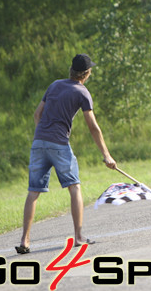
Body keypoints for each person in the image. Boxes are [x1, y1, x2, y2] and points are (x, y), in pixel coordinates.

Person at [16, 54, 117, 254]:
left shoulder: (54, 85)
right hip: (59, 144)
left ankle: (25, 240)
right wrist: (107, 155)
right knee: (74, 188)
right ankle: (78, 237)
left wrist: (43, 134)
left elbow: (37, 115)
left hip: (39, 142)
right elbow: (93, 127)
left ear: (71, 70)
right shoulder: (83, 92)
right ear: (86, 74)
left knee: (33, 191)